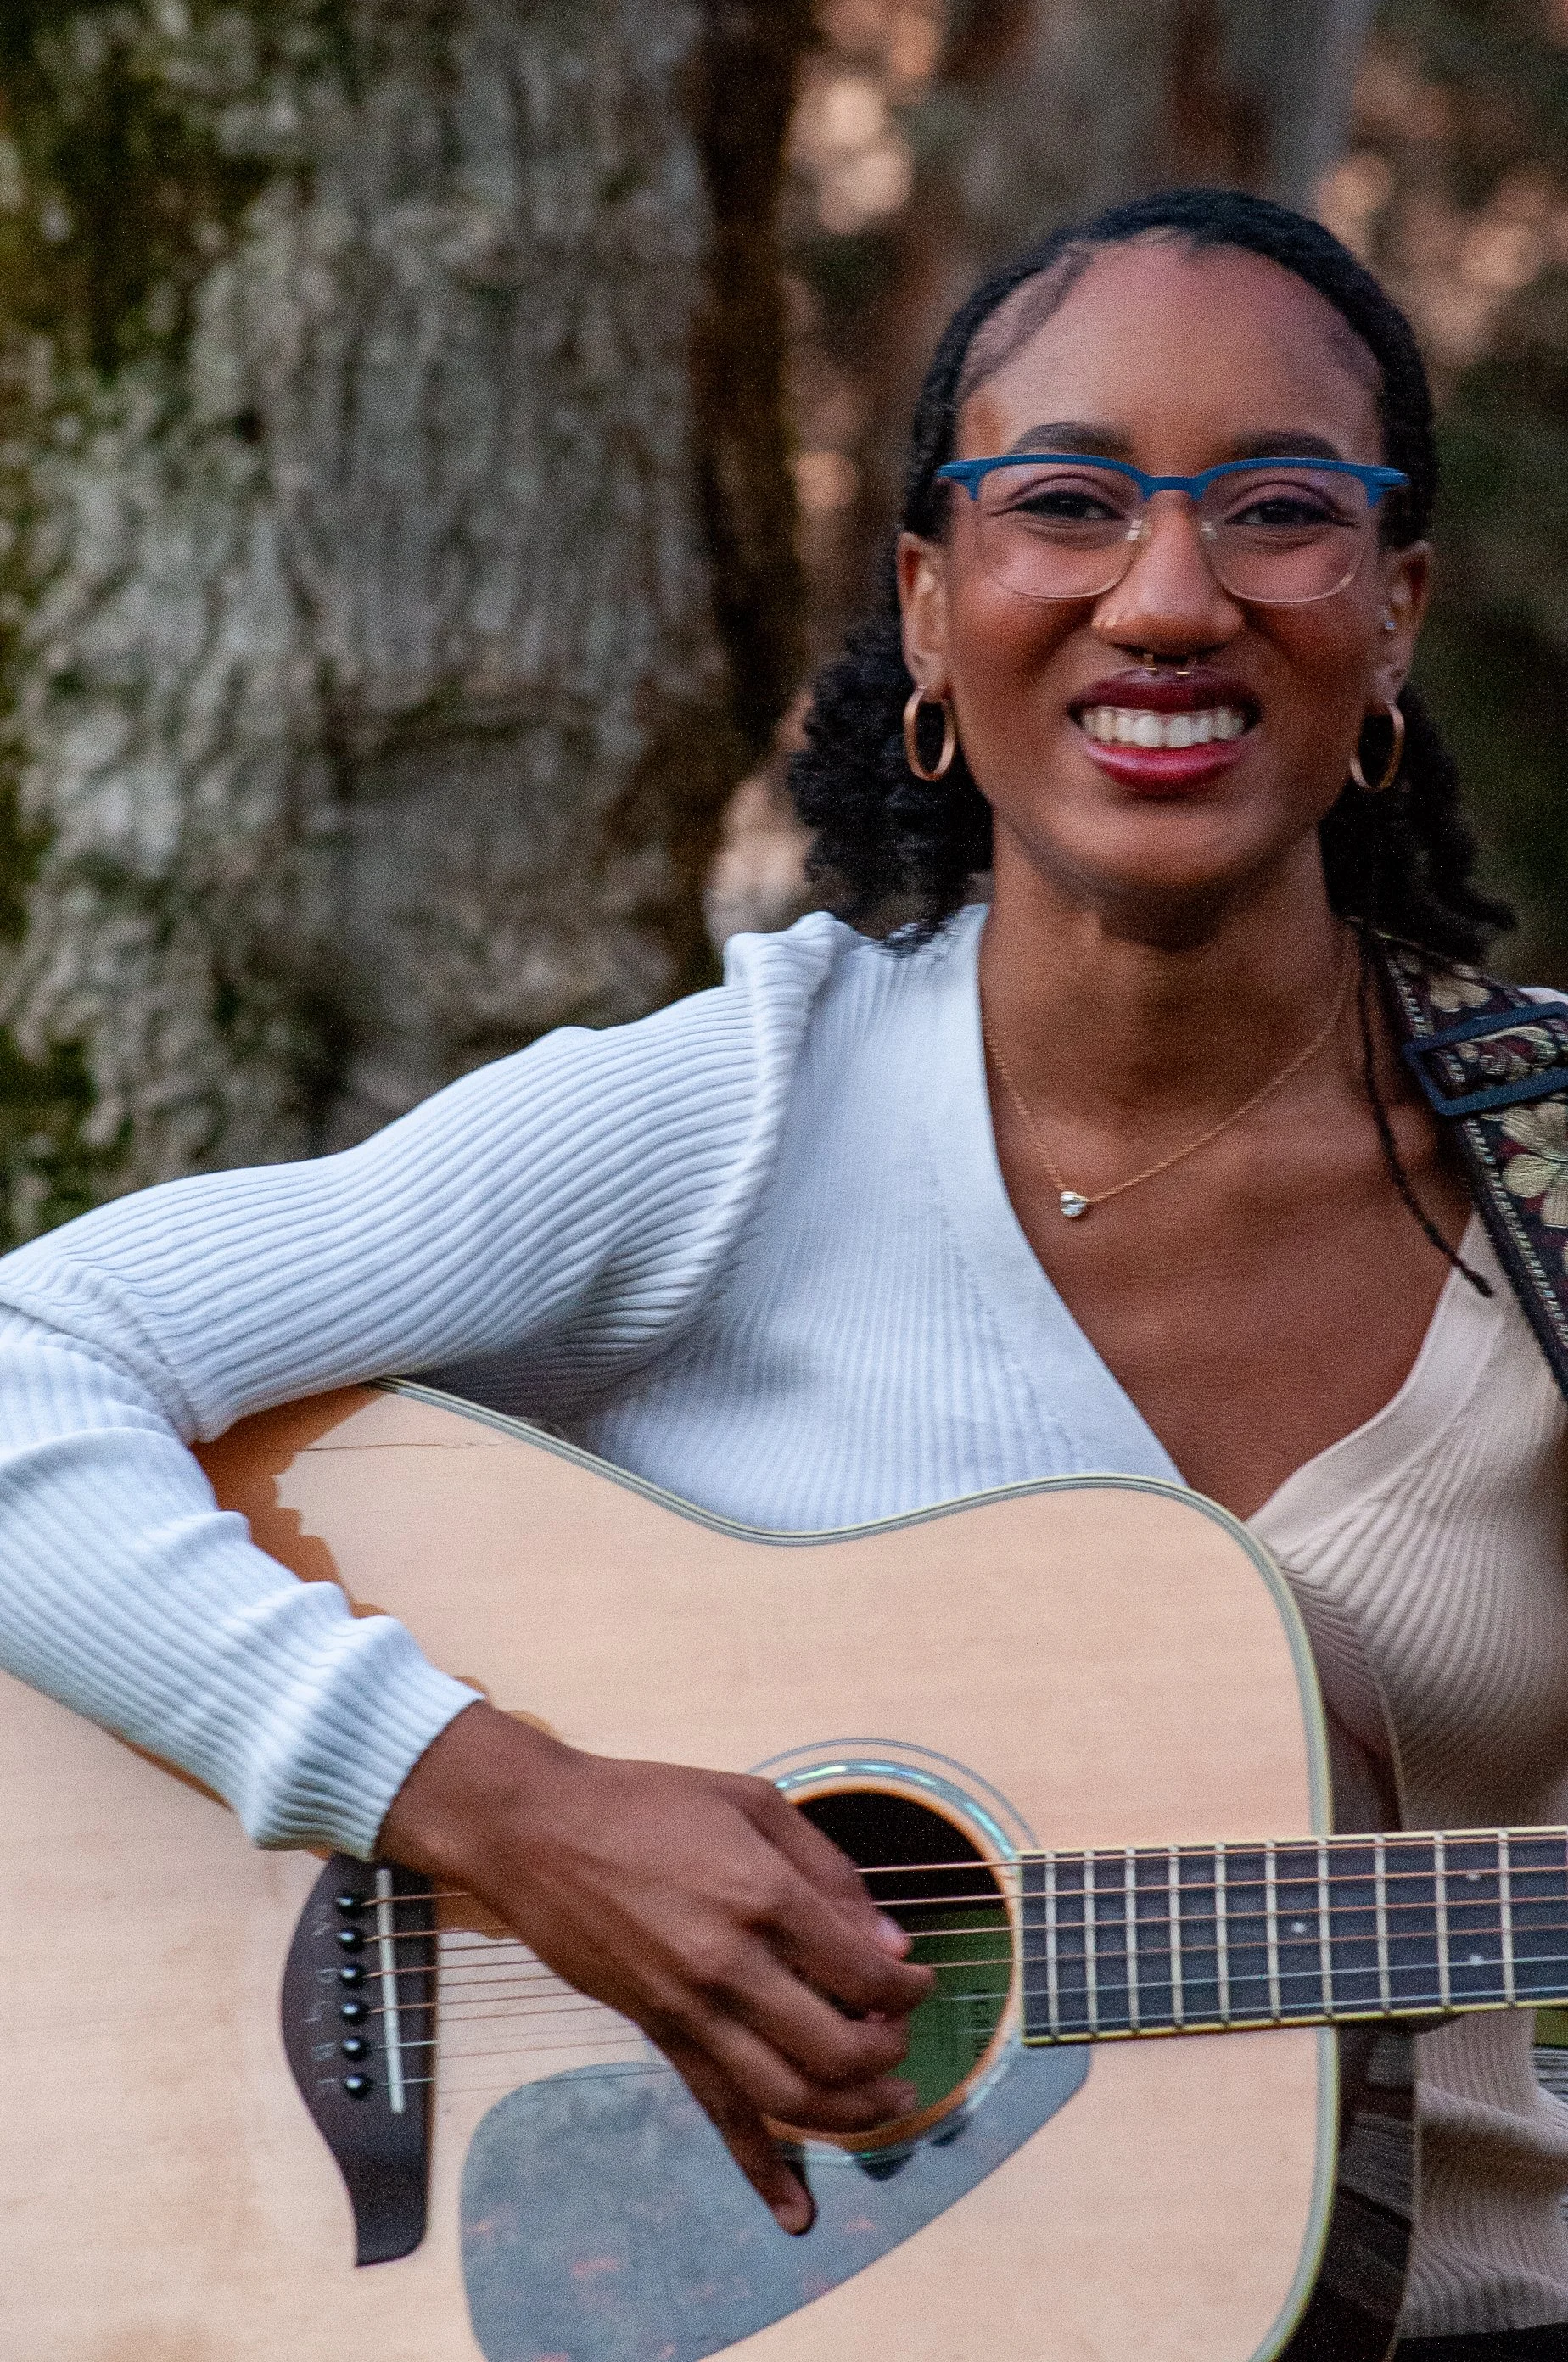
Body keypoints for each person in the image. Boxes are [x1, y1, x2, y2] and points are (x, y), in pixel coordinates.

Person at [0, 186, 1564, 2356]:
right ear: (932, 604)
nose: (1170, 597)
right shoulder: (746, 1108)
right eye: (1070, 504)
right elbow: (31, 1358)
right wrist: (499, 1809)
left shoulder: (1543, 1180)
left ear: (1395, 608)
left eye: (1280, 512)